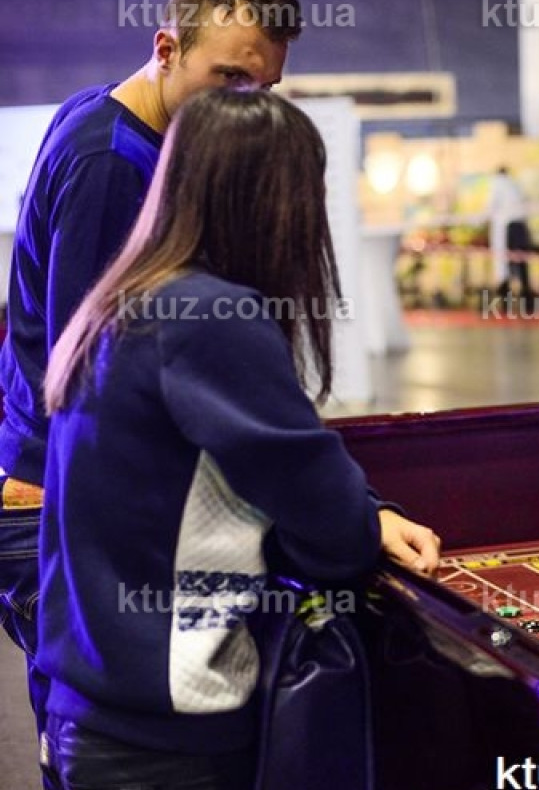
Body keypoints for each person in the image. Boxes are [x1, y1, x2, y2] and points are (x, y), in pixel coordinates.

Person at [37, 89, 442, 790]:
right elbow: (329, 525)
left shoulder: (126, 297)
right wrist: (365, 518)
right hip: (165, 742)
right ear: (277, 201)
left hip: (91, 714)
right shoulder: (209, 317)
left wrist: (365, 513)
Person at [0, 0, 301, 771]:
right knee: (102, 744)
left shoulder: (107, 116)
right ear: (166, 51)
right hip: (51, 503)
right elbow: (90, 376)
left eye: (262, 89)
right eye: (228, 79)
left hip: (47, 490)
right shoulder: (113, 165)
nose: (244, 107)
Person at [486, 166, 533, 301]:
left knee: (505, 264)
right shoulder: (516, 184)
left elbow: (491, 206)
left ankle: (506, 299)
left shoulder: (496, 184)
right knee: (521, 264)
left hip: (507, 228)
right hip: (521, 227)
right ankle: (526, 298)